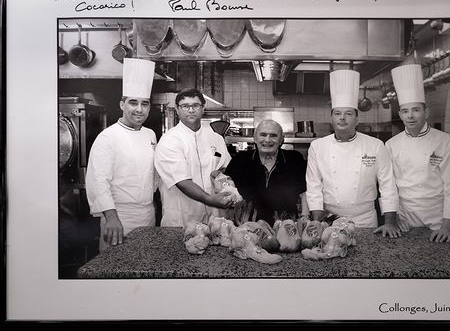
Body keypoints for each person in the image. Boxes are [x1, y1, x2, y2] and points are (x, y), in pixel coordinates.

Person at [305, 69, 401, 238]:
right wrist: (317, 221)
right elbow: (314, 186)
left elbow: (387, 185)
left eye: (348, 113)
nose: (342, 118)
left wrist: (390, 222)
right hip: (329, 219)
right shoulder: (317, 146)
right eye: (337, 113)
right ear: (332, 118)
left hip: (365, 219)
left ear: (357, 119)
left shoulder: (376, 145)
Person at [386, 64, 450, 243]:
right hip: (405, 218)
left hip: (437, 219)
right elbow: (390, 186)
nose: (410, 116)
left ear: (426, 112)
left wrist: (446, 226)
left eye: (416, 110)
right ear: (400, 115)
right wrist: (396, 217)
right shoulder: (392, 144)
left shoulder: (445, 141)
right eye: (405, 111)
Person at [86, 58, 157, 250]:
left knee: (146, 267)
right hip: (119, 217)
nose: (139, 109)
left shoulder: (150, 135)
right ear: (121, 104)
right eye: (133, 103)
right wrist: (111, 217)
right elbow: (98, 181)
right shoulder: (108, 137)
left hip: (148, 214)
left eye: (145, 103)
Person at [154, 88, 233, 227]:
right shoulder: (170, 140)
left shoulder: (216, 138)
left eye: (195, 105)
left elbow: (226, 168)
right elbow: (182, 181)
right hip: (182, 218)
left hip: (215, 218)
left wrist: (222, 175)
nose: (191, 110)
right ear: (177, 110)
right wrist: (210, 199)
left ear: (203, 108)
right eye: (185, 106)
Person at [224, 119, 308, 226]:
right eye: (263, 135)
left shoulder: (294, 159)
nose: (267, 140)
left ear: (281, 139)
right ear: (255, 138)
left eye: (273, 136)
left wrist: (305, 216)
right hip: (247, 226)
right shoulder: (241, 159)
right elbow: (226, 189)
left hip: (286, 227)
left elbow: (304, 191)